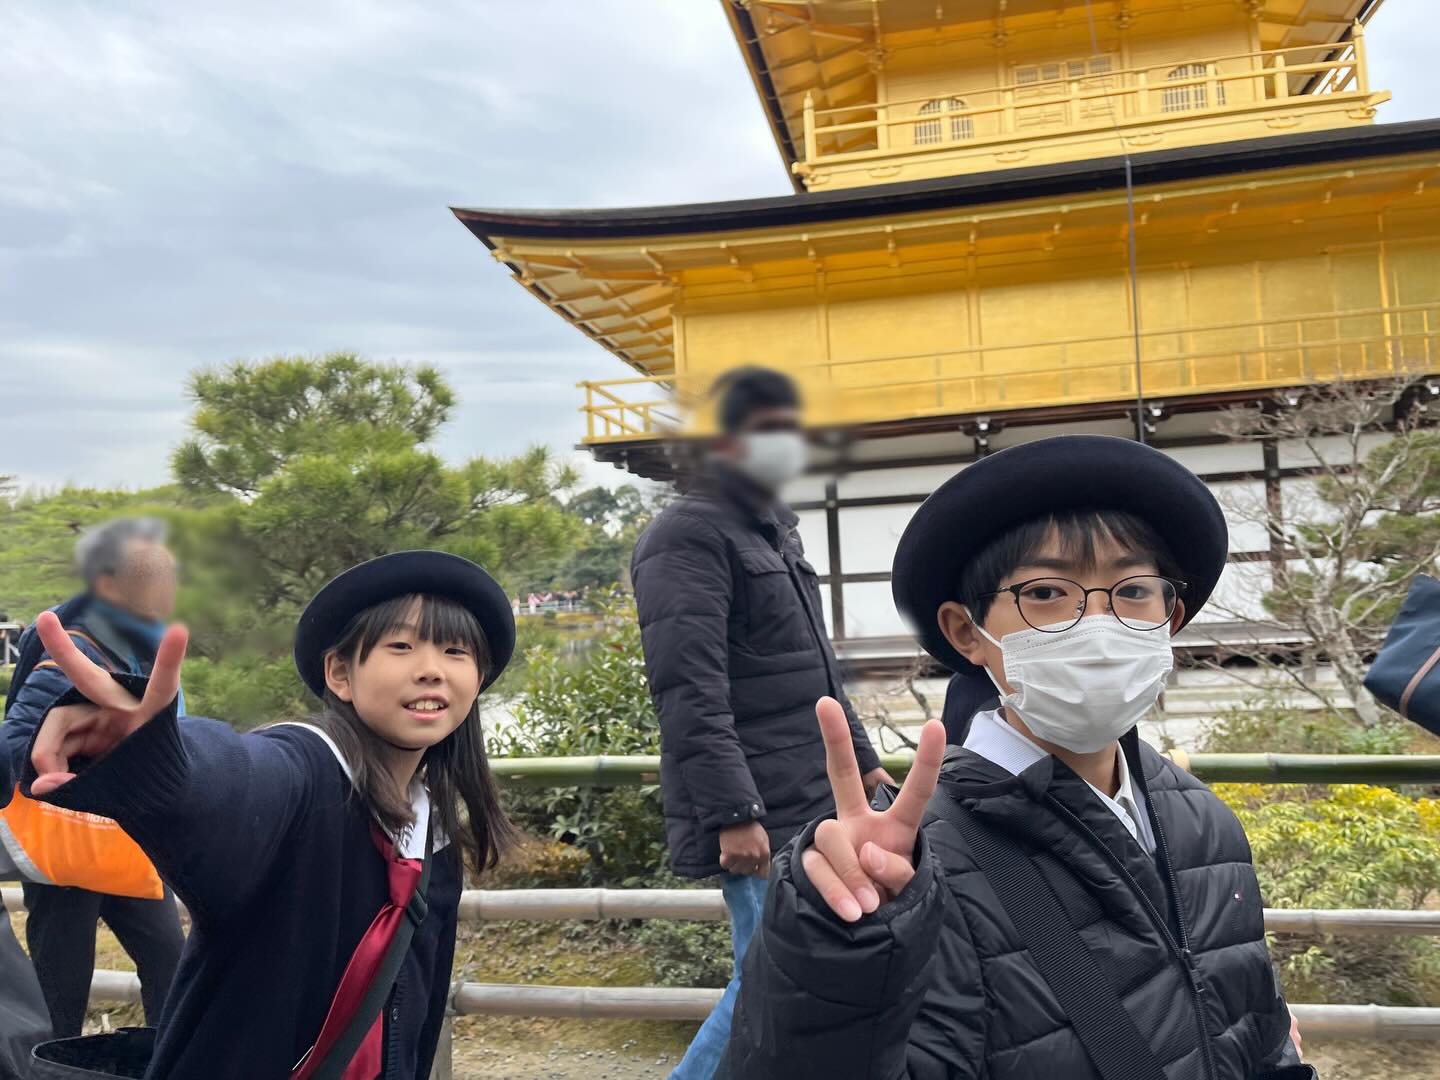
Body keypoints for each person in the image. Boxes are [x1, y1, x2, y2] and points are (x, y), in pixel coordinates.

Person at [728, 435, 1308, 1079]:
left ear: (1170, 616)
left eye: (1135, 589)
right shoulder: (916, 868)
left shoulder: (1206, 822)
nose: (1100, 625)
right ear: (966, 632)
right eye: (1047, 593)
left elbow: (1255, 1029)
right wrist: (842, 939)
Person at [15, 549, 517, 1078]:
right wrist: (151, 751)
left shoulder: (431, 832)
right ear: (340, 674)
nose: (431, 671)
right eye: (401, 646)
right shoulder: (302, 776)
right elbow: (235, 777)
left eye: (456, 651)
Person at [632, 366, 889, 1079]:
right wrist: (733, 811)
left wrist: (863, 759)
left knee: (804, 972)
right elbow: (688, 689)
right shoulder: (684, 535)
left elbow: (817, 669)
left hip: (815, 793)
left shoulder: (775, 531)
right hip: (759, 807)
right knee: (770, 977)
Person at [2, 517, 185, 1038]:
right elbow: (16, 739)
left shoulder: (139, 643)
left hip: (123, 837)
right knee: (63, 988)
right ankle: (49, 1071)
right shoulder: (78, 650)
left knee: (170, 962)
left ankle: (168, 1062)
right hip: (68, 841)